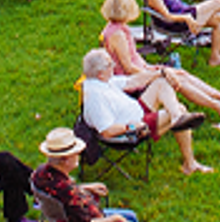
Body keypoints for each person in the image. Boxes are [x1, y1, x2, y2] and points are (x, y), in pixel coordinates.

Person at [79, 48, 209, 176]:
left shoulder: (102, 81)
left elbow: (133, 81)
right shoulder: (95, 97)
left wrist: (161, 72)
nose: (113, 66)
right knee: (180, 108)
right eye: (109, 65)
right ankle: (189, 164)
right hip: (134, 127)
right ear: (100, 73)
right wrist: (130, 126)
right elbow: (106, 131)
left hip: (137, 111)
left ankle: (177, 118)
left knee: (161, 82)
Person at [32, 127, 155, 222]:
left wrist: (84, 188)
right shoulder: (68, 192)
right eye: (76, 153)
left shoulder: (42, 174)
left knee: (131, 217)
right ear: (66, 159)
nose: (79, 155)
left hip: (76, 221)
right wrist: (115, 219)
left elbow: (62, 194)